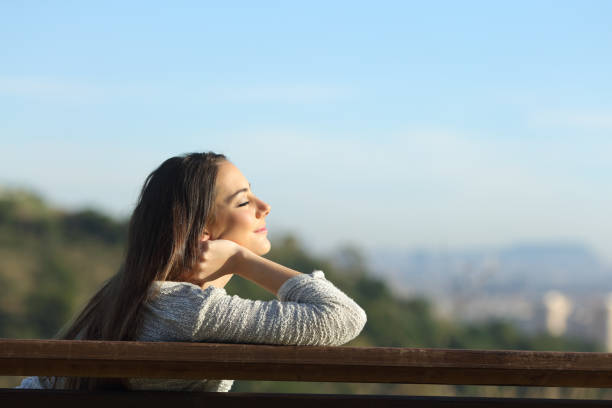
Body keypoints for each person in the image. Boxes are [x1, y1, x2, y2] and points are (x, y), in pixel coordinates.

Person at [17, 152, 367, 391]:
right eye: (244, 201)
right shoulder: (191, 312)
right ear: (204, 234)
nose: (264, 207)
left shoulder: (128, 296)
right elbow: (342, 316)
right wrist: (239, 259)